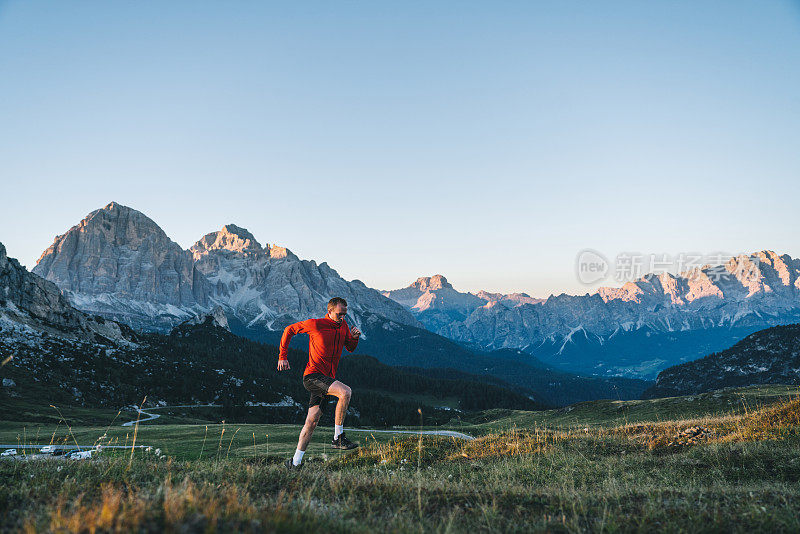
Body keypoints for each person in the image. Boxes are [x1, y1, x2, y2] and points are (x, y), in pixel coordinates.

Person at [278, 296, 362, 469]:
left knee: (312, 421)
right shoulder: (315, 324)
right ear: (329, 311)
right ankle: (338, 438)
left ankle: (294, 463)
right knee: (345, 392)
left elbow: (350, 348)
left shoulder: (343, 326)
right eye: (339, 314)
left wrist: (354, 337)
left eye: (345, 314)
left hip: (326, 380)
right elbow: (289, 330)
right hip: (313, 377)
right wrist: (282, 356)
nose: (343, 318)